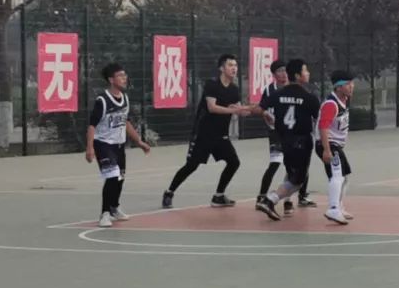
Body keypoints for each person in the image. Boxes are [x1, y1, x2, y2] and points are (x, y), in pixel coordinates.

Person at [161, 53, 250, 209]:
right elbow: (212, 107)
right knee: (192, 166)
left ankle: (219, 196)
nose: (234, 68)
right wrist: (233, 110)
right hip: (203, 133)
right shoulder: (212, 84)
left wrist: (253, 110)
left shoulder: (234, 89)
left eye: (235, 65)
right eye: (230, 65)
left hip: (221, 135)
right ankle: (169, 192)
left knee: (234, 162)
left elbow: (238, 109)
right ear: (221, 68)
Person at [85, 63, 151, 228]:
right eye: (120, 76)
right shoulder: (103, 100)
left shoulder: (125, 98)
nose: (124, 78)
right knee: (112, 177)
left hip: (119, 145)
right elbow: (92, 126)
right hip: (103, 144)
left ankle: (114, 207)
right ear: (111, 80)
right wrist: (90, 148)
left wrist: (139, 141)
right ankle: (105, 213)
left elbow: (125, 122)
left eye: (125, 75)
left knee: (120, 178)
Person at [256, 59, 320, 222]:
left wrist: (262, 113)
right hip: (302, 142)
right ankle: (270, 200)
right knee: (298, 180)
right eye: (305, 70)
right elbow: (319, 120)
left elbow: (260, 108)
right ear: (297, 75)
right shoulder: (309, 97)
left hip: (284, 140)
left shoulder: (278, 94)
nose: (308, 73)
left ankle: (283, 202)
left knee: (292, 175)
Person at [317, 70, 355, 225]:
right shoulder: (331, 104)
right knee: (337, 175)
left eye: (352, 83)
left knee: (344, 177)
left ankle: (339, 206)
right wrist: (326, 150)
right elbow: (323, 127)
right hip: (328, 144)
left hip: (336, 145)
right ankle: (333, 209)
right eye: (348, 84)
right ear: (338, 87)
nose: (351, 86)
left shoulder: (344, 101)